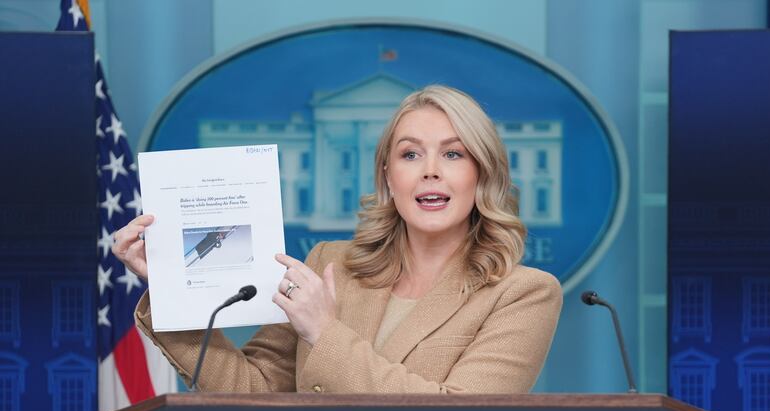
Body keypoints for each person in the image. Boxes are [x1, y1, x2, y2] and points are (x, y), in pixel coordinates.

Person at [112, 85, 562, 393]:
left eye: (453, 153)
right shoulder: (330, 264)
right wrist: (172, 286)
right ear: (388, 176)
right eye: (410, 154)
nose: (430, 169)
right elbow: (255, 388)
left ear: (481, 172)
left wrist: (324, 332)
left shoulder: (524, 294)